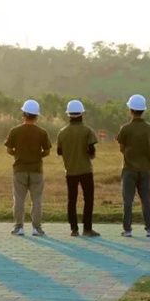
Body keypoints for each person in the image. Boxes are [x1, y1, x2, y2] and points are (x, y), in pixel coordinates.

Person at [4, 99, 52, 236]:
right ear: (36, 116)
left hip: (19, 169)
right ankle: (37, 228)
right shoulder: (42, 132)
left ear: (23, 114)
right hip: (37, 169)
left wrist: (17, 154)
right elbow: (47, 151)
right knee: (37, 200)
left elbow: (8, 149)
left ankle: (19, 227)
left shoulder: (15, 131)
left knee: (19, 199)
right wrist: (37, 156)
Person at [116, 94, 150, 238]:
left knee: (128, 201)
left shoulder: (125, 128)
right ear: (143, 110)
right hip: (145, 169)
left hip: (129, 169)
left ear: (130, 110)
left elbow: (121, 147)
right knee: (146, 200)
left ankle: (127, 230)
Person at [57, 100, 99, 237]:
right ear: (82, 114)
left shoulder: (62, 133)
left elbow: (59, 152)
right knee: (88, 199)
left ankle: (74, 229)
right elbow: (92, 152)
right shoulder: (87, 131)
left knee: (72, 200)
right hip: (86, 170)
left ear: (68, 114)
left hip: (70, 172)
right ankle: (87, 229)